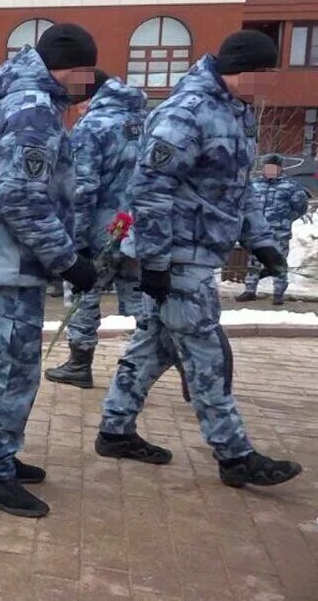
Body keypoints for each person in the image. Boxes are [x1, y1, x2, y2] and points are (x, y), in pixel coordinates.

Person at [98, 30, 302, 489]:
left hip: (195, 253)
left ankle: (115, 429)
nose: (270, 84)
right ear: (241, 70)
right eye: (265, 74)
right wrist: (154, 262)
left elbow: (238, 186)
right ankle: (235, 455)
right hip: (175, 257)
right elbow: (149, 189)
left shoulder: (237, 112)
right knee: (206, 355)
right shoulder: (185, 112)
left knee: (154, 348)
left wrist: (262, 242)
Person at [0, 23, 100, 518]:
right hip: (12, 264)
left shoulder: (20, 101)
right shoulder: (35, 109)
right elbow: (20, 197)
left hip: (4, 261)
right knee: (13, 371)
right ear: (72, 67)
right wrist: (68, 260)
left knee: (3, 368)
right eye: (87, 71)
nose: (91, 83)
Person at [44, 70, 146, 389]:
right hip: (142, 229)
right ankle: (169, 353)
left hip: (103, 231)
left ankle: (79, 362)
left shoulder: (92, 127)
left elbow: (83, 189)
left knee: (84, 291)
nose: (76, 110)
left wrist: (74, 244)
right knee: (143, 296)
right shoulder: (148, 122)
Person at [236, 154, 308, 305]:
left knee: (279, 261)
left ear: (280, 168)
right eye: (267, 167)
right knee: (254, 262)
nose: (269, 170)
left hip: (279, 232)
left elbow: (301, 207)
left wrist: (285, 220)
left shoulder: (291, 186)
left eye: (273, 168)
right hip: (257, 232)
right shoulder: (254, 185)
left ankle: (278, 293)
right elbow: (245, 204)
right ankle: (250, 290)